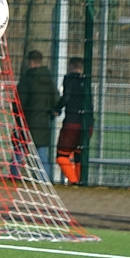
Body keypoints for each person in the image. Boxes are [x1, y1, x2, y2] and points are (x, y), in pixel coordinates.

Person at [16, 50, 59, 179]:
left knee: (19, 151)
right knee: (41, 155)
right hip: (43, 123)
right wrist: (51, 112)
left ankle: (14, 178)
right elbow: (56, 101)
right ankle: (45, 180)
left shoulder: (27, 80)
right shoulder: (49, 81)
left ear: (30, 62)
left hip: (26, 122)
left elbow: (18, 103)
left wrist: (17, 116)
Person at [53, 56, 93, 184]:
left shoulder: (69, 78)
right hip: (88, 124)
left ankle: (74, 181)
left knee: (61, 156)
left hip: (72, 122)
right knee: (79, 155)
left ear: (70, 66)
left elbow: (66, 97)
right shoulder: (86, 80)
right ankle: (80, 182)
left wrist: (57, 109)